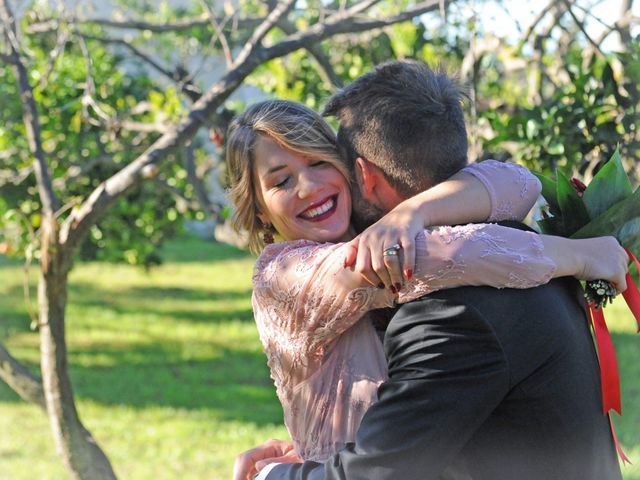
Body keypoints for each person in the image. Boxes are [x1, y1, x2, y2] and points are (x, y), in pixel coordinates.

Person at [241, 61, 625, 480]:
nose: (309, 187)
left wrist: (412, 210)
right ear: (258, 208)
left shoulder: (454, 311)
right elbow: (448, 251)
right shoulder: (284, 274)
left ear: (361, 176)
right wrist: (578, 255)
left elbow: (517, 183)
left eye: (319, 163)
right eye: (280, 182)